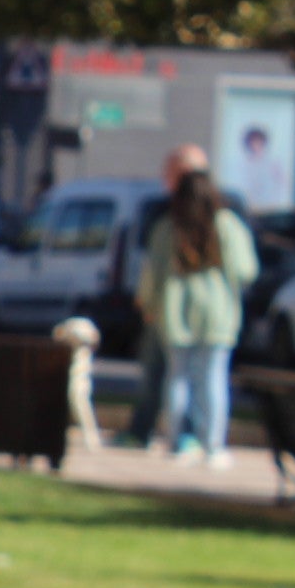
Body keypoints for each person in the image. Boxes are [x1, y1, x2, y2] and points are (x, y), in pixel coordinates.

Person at [136, 166, 257, 465]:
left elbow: (153, 273)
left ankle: (176, 443)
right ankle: (212, 446)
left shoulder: (167, 227)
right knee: (212, 378)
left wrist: (148, 305)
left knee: (177, 378)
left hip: (175, 311)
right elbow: (246, 270)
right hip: (217, 311)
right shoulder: (227, 225)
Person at [120, 144, 207, 447]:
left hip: (191, 314)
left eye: (172, 172)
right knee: (155, 373)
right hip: (163, 308)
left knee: (187, 377)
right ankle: (143, 430)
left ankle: (187, 435)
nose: (165, 178)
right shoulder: (163, 213)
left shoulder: (210, 217)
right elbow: (152, 262)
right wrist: (146, 298)